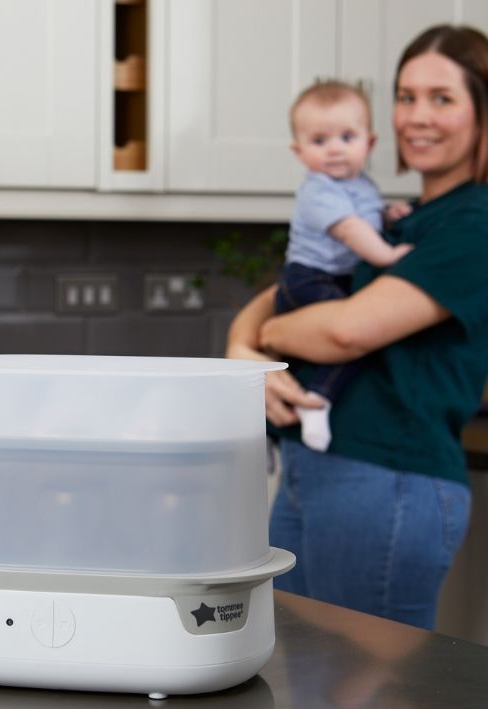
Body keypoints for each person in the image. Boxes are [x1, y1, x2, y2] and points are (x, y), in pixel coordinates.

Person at [226, 23, 488, 630]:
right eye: (405, 96)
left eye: (442, 98)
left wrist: (270, 338)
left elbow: (345, 331)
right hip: (316, 470)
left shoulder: (473, 224)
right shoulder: (394, 218)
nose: (417, 116)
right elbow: (275, 297)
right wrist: (242, 349)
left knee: (367, 679)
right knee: (297, 667)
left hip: (388, 480)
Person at [276, 80, 412, 452]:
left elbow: (365, 217)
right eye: (319, 141)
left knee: (332, 345)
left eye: (347, 137)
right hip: (307, 278)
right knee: (350, 337)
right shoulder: (318, 189)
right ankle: (318, 400)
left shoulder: (363, 185)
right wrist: (387, 255)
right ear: (299, 151)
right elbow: (351, 229)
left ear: (369, 143)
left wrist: (388, 215)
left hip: (334, 277)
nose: (335, 149)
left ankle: (287, 420)